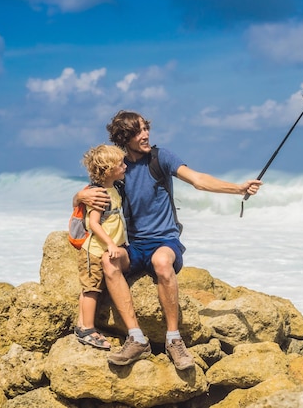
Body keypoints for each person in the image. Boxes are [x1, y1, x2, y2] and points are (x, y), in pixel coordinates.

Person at [74, 110, 262, 370]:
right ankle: (136, 338)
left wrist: (238, 188)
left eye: (145, 128)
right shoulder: (119, 166)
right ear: (124, 137)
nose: (146, 134)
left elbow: (198, 180)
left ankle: (174, 339)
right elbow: (96, 189)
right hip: (136, 246)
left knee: (162, 263)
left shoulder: (160, 158)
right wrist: (78, 198)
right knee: (109, 261)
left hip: (165, 240)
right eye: (138, 131)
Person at [74, 144, 128, 351]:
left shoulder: (113, 188)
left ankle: (82, 324)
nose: (125, 167)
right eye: (120, 164)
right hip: (94, 251)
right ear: (107, 170)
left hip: (105, 249)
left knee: (93, 288)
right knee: (91, 289)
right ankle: (86, 329)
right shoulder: (99, 194)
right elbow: (93, 224)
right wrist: (111, 244)